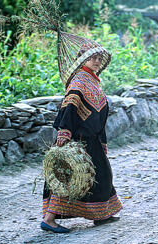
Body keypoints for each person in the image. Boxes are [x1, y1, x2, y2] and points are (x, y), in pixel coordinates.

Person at [41, 42, 122, 233]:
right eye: (92, 58)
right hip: (78, 140)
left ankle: (102, 215)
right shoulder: (79, 81)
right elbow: (69, 107)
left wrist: (101, 140)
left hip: (91, 139)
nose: (96, 61)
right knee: (68, 179)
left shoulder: (92, 80)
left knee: (101, 177)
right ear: (82, 60)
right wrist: (64, 132)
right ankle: (49, 219)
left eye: (99, 59)